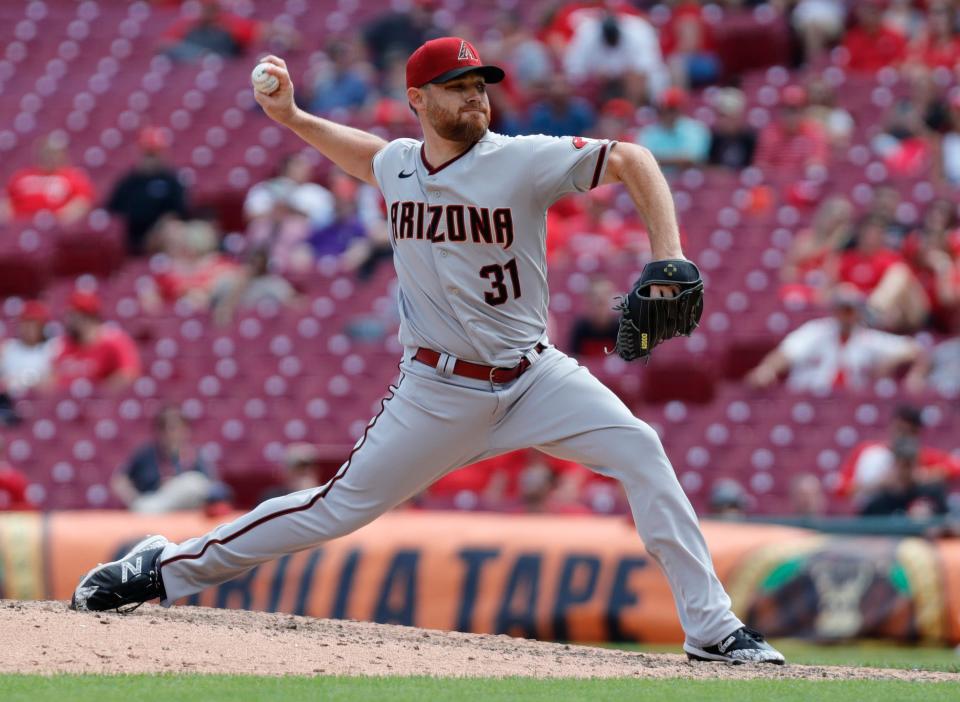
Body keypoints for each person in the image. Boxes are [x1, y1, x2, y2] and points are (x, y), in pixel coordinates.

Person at [70, 36, 785, 665]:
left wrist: (670, 254)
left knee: (641, 449)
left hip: (535, 377)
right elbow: (371, 157)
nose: (477, 98)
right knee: (331, 509)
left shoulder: (520, 161)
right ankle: (162, 568)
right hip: (437, 389)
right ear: (419, 99)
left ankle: (714, 629)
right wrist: (292, 119)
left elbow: (633, 158)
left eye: (481, 87)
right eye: (459, 88)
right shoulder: (401, 164)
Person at [745, 285, 924, 394]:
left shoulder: (868, 339)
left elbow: (914, 349)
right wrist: (767, 369)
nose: (844, 315)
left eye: (849, 310)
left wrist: (890, 362)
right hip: (807, 398)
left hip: (847, 405)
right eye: (841, 309)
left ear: (857, 312)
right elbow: (786, 353)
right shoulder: (815, 331)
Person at [111, 406, 230, 514]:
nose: (171, 433)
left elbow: (209, 484)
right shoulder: (146, 453)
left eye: (176, 428)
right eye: (166, 429)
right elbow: (120, 480)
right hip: (155, 504)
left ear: (186, 430)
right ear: (159, 431)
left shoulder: (194, 454)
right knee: (145, 508)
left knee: (194, 482)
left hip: (186, 509)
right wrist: (134, 499)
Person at [836, 405, 960, 505]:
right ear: (892, 427)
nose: (903, 435)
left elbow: (955, 467)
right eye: (900, 429)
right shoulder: (870, 452)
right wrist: (880, 483)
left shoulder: (922, 455)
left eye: (910, 432)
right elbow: (841, 487)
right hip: (876, 512)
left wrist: (922, 475)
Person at [106, 127, 189, 255]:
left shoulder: (171, 181)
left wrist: (157, 232)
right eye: (148, 153)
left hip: (161, 237)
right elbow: (112, 210)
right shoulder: (128, 182)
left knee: (173, 229)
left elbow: (179, 212)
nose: (151, 158)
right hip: (132, 238)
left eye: (154, 153)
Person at [52, 291, 141, 390]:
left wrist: (99, 394)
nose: (68, 321)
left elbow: (129, 374)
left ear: (88, 317)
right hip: (68, 400)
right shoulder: (63, 343)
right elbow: (52, 378)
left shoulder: (114, 340)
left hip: (105, 402)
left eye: (74, 316)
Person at [0, 132, 94, 224]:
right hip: (20, 226)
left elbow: (82, 203)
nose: (48, 156)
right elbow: (7, 203)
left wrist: (56, 223)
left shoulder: (73, 177)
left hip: (56, 229)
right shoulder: (21, 176)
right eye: (45, 152)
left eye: (53, 153)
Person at [859, 436, 949, 518]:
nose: (907, 471)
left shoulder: (931, 492)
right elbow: (864, 527)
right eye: (904, 464)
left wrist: (929, 516)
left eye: (911, 463)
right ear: (894, 464)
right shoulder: (879, 501)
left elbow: (947, 524)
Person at [0, 301, 58, 424]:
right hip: (10, 405)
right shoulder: (8, 348)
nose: (29, 328)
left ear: (42, 326)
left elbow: (53, 382)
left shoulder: (52, 349)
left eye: (34, 324)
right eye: (26, 323)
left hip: (41, 405)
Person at [637, 87, 711, 169]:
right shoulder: (648, 132)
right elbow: (642, 160)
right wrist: (677, 159)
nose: (668, 114)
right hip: (655, 177)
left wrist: (656, 159)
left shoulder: (696, 129)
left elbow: (691, 158)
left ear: (680, 109)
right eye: (663, 110)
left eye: (672, 109)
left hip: (687, 177)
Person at [569, 277, 621, 357]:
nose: (600, 299)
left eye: (605, 295)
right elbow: (573, 358)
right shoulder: (580, 328)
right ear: (588, 302)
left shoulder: (620, 328)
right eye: (595, 296)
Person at [707, 88, 756, 170]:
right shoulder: (715, 138)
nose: (722, 121)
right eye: (720, 116)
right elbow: (709, 167)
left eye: (726, 116)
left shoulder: (750, 138)